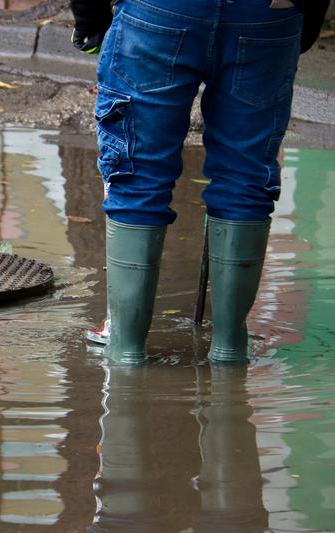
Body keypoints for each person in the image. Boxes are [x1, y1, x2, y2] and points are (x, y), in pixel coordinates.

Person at [70, 0, 330, 363]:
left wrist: (90, 19)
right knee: (245, 177)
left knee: (137, 175)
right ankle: (230, 349)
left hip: (159, 11)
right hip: (267, 15)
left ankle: (126, 349)